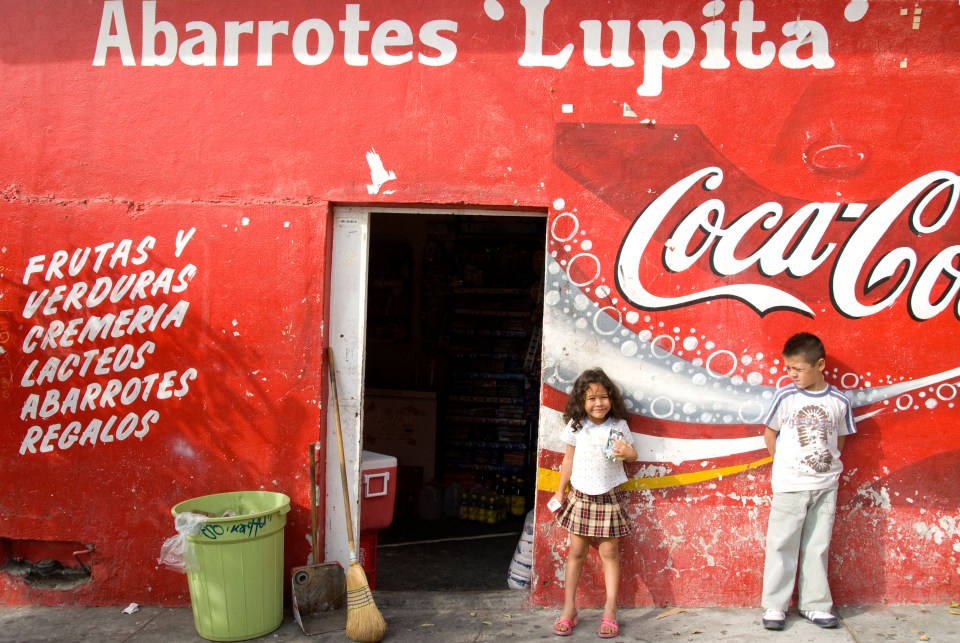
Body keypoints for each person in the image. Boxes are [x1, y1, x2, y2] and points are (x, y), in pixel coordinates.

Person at [760, 332, 856, 631]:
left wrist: (827, 465)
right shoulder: (786, 396)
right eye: (788, 368)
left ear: (820, 365)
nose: (791, 374)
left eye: (798, 369)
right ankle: (774, 606)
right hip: (790, 483)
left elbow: (839, 438)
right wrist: (782, 465)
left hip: (825, 484)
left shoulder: (839, 401)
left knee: (817, 545)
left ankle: (814, 605)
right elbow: (769, 432)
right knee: (781, 543)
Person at [550, 367, 638, 638]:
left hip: (608, 497)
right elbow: (567, 461)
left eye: (603, 397)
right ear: (581, 402)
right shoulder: (576, 426)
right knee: (576, 552)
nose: (598, 403)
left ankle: (610, 610)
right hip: (580, 495)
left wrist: (627, 452)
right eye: (591, 398)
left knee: (609, 554)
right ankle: (569, 608)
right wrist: (559, 492)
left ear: (611, 398)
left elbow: (633, 456)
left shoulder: (618, 426)